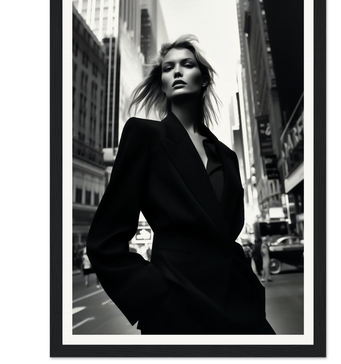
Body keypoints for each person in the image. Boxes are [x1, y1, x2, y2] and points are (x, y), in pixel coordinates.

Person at [87, 34, 275, 335]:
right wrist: (154, 293)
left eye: (187, 64)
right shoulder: (143, 136)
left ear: (203, 80)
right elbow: (104, 241)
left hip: (241, 305)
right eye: (167, 67)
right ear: (162, 83)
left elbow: (228, 230)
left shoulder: (227, 156)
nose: (176, 71)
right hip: (177, 310)